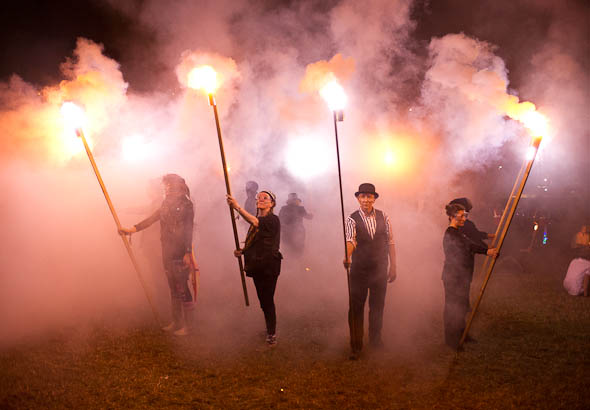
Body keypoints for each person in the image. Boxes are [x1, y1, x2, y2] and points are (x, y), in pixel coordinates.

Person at [119, 174, 196, 336]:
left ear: (176, 186)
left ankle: (189, 326)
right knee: (173, 288)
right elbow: (152, 218)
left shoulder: (186, 204)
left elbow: (188, 229)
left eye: (168, 185)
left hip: (180, 251)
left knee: (182, 287)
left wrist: (188, 252)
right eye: (165, 186)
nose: (165, 188)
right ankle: (176, 322)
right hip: (166, 249)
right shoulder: (166, 203)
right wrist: (132, 229)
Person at [343, 183, 396, 360]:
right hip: (359, 270)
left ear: (374, 198)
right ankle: (356, 346)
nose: (366, 199)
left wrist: (393, 266)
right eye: (363, 196)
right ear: (358, 199)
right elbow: (351, 240)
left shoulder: (384, 216)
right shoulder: (352, 219)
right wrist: (348, 255)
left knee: (377, 307)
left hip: (380, 269)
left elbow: (390, 242)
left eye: (369, 196)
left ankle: (376, 341)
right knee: (356, 308)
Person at [227, 190, 282, 347]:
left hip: (269, 266)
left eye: (266, 198)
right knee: (262, 301)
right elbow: (254, 242)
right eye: (259, 197)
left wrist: (237, 207)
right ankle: (269, 328)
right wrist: (243, 251)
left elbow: (256, 223)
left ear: (272, 204)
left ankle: (272, 335)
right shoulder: (257, 220)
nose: (261, 199)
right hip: (257, 265)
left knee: (267, 300)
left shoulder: (272, 219)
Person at [442, 202, 497, 350]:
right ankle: (451, 339)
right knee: (452, 307)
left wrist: (486, 249)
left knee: (461, 306)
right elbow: (468, 246)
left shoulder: (458, 232)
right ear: (452, 217)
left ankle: (462, 333)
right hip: (453, 277)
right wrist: (486, 252)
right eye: (461, 216)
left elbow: (470, 243)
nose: (464, 219)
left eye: (465, 216)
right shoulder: (450, 233)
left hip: (462, 276)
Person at [279, 193, 313, 257]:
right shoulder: (285, 208)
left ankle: (294, 264)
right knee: (291, 251)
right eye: (294, 200)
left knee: (294, 251)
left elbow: (308, 217)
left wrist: (311, 215)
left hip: (296, 233)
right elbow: (280, 219)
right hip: (290, 233)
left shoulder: (299, 208)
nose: (296, 201)